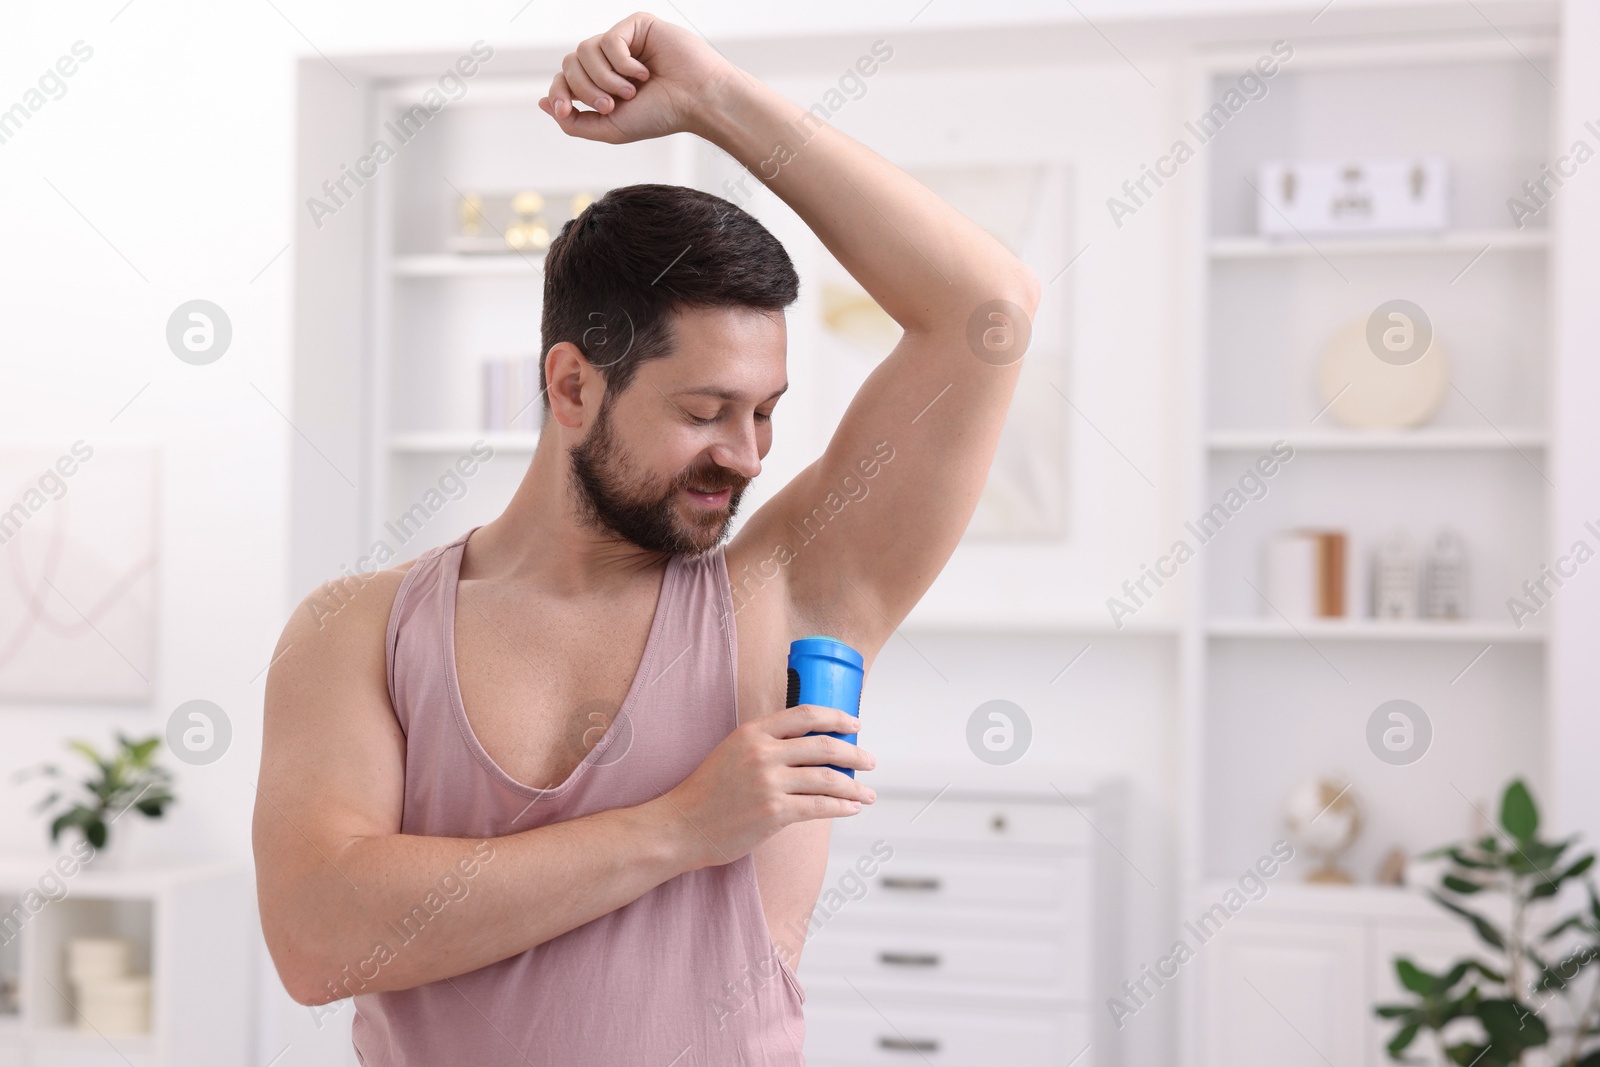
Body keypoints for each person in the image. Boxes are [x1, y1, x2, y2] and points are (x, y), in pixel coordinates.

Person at [253, 11, 1038, 1064]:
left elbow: (986, 308)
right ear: (572, 384)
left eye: (766, 410)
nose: (750, 455)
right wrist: (678, 826)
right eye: (706, 410)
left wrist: (716, 98)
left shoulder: (789, 594)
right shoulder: (356, 629)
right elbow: (317, 936)